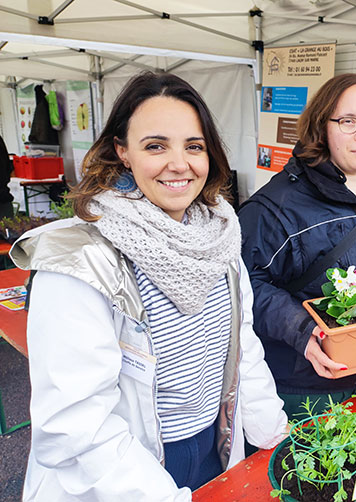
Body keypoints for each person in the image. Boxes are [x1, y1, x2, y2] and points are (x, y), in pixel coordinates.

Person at [10, 72, 287, 501]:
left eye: (193, 146)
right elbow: (77, 423)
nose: (179, 163)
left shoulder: (220, 237)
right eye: (156, 146)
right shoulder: (80, 259)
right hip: (124, 469)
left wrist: (274, 436)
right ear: (122, 151)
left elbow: (241, 345)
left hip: (215, 442)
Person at [238, 73, 356, 417]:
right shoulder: (275, 207)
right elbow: (243, 285)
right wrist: (302, 329)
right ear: (321, 126)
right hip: (310, 389)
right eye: (349, 122)